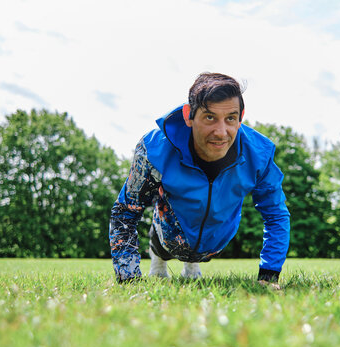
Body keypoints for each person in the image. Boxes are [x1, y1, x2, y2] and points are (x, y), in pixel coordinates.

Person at [109, 72, 290, 287]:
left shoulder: (259, 154)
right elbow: (125, 211)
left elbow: (276, 214)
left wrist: (269, 274)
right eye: (210, 117)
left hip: (218, 238)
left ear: (241, 116)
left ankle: (193, 264)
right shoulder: (155, 150)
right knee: (166, 233)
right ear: (188, 115)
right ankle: (158, 257)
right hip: (171, 232)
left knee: (200, 251)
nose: (221, 133)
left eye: (230, 118)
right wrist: (128, 278)